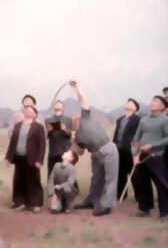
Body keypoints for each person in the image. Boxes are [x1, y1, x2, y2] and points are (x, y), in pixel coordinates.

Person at [70, 81, 119, 216]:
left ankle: (107, 206)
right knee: (96, 179)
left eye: (76, 115)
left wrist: (76, 87)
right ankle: (91, 200)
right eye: (72, 118)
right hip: (95, 154)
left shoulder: (86, 118)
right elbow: (79, 153)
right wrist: (74, 140)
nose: (75, 116)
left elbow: (82, 99)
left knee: (110, 179)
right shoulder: (77, 135)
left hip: (108, 149)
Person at [131, 95, 168, 221]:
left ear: (163, 106)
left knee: (161, 184)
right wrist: (135, 155)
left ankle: (164, 213)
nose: (152, 103)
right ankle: (144, 209)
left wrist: (152, 145)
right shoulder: (143, 120)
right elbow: (136, 138)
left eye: (156, 101)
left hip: (156, 156)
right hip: (142, 155)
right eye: (152, 100)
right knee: (141, 182)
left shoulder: (164, 120)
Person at [4, 105, 46, 213]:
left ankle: (36, 204)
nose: (27, 110)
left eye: (30, 109)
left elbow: (42, 145)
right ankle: (20, 202)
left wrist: (39, 160)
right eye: (25, 109)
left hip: (32, 158)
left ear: (35, 114)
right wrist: (8, 157)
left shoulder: (38, 127)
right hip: (18, 157)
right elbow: (12, 142)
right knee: (18, 181)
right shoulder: (18, 126)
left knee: (34, 181)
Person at [113, 98, 141, 200]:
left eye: (131, 103)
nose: (128, 103)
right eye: (128, 102)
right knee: (120, 173)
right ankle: (120, 195)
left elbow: (138, 137)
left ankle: (140, 196)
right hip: (119, 149)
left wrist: (136, 153)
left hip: (130, 150)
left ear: (135, 108)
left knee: (135, 173)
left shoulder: (138, 119)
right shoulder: (120, 119)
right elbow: (116, 135)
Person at [45, 100, 72, 180]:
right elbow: (47, 136)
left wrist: (64, 129)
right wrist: (49, 131)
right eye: (56, 104)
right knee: (51, 173)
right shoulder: (48, 120)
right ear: (54, 108)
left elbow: (70, 135)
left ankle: (70, 190)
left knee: (67, 172)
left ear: (63, 108)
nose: (57, 105)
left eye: (59, 104)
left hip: (65, 151)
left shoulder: (68, 120)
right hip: (53, 151)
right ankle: (51, 190)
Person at [48, 149, 79, 214]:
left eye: (67, 152)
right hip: (58, 191)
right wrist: (52, 192)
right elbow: (51, 179)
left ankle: (68, 203)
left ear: (71, 158)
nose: (64, 152)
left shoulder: (72, 168)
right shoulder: (56, 165)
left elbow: (70, 182)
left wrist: (60, 186)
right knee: (54, 208)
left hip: (68, 190)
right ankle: (59, 203)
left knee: (67, 188)